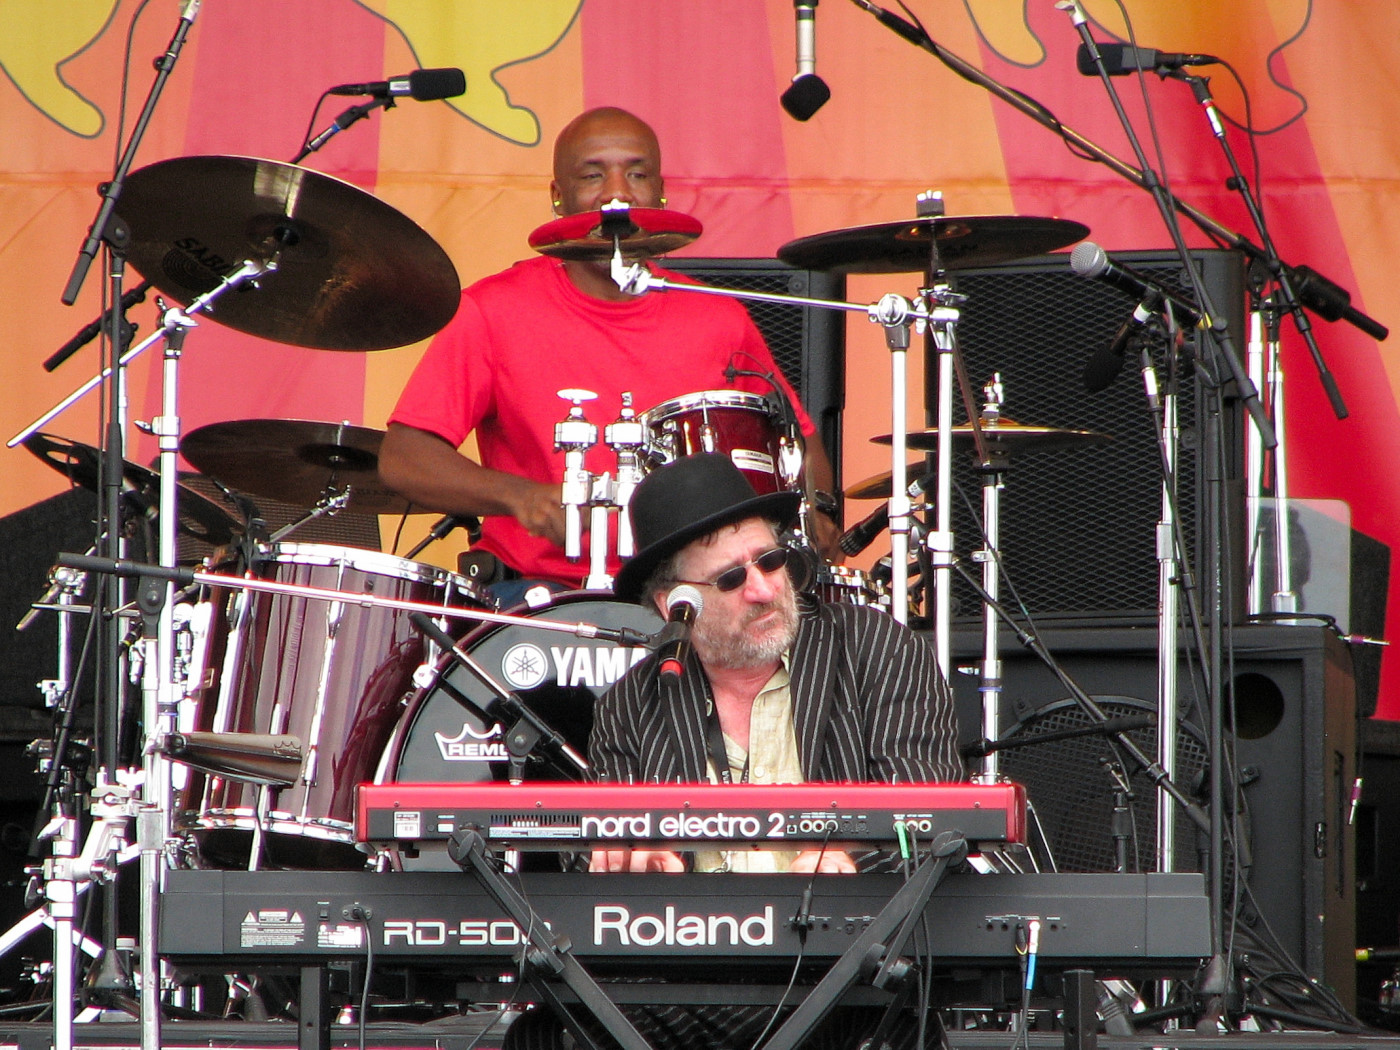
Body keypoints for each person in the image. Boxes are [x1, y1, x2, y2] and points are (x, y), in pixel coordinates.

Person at [378, 107, 841, 602]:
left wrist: (817, 511)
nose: (616, 193)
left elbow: (798, 442)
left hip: (693, 597)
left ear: (660, 193)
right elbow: (405, 457)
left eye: (637, 175)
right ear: (557, 196)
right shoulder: (492, 310)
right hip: (542, 597)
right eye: (592, 175)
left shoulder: (719, 318)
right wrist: (519, 496)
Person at [589, 452, 963, 875]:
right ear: (675, 605)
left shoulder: (874, 649)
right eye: (731, 578)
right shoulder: (630, 705)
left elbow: (930, 816)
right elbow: (586, 850)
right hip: (692, 920)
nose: (764, 590)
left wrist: (851, 863)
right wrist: (633, 868)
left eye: (770, 561)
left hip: (859, 916)